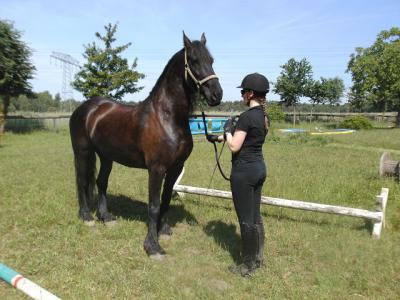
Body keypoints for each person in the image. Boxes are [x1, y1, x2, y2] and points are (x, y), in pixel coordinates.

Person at [217, 73, 269, 276]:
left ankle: (247, 266)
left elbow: (235, 145)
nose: (241, 96)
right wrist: (220, 137)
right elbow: (249, 140)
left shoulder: (247, 116)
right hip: (258, 168)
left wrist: (228, 130)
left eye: (242, 92)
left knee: (246, 219)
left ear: (250, 93)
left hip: (244, 173)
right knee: (256, 216)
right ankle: (258, 258)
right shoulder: (263, 117)